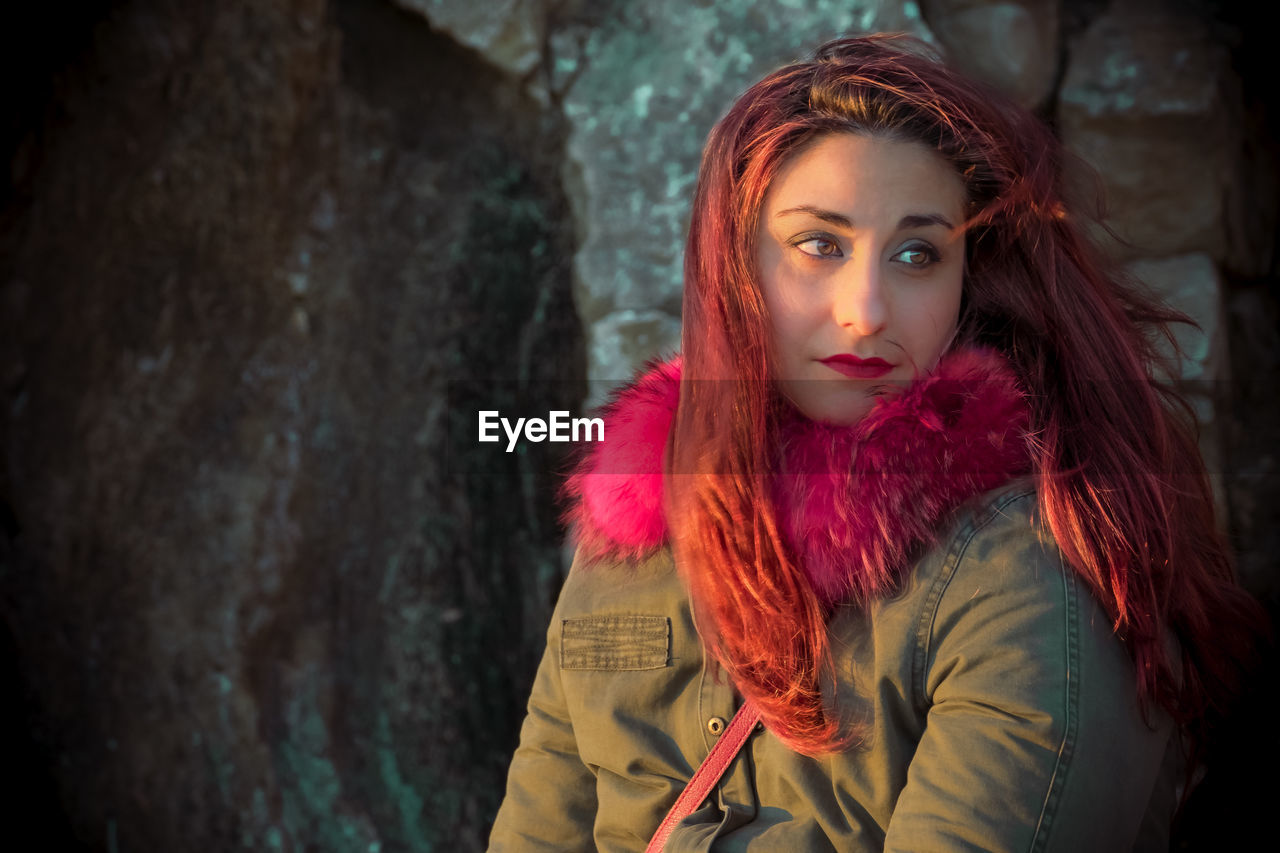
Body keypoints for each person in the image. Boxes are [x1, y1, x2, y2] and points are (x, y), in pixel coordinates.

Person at [486, 34, 1264, 852]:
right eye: (819, 245)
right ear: (733, 268)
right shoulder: (630, 531)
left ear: (969, 283)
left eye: (917, 254)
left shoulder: (1034, 570)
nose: (866, 309)